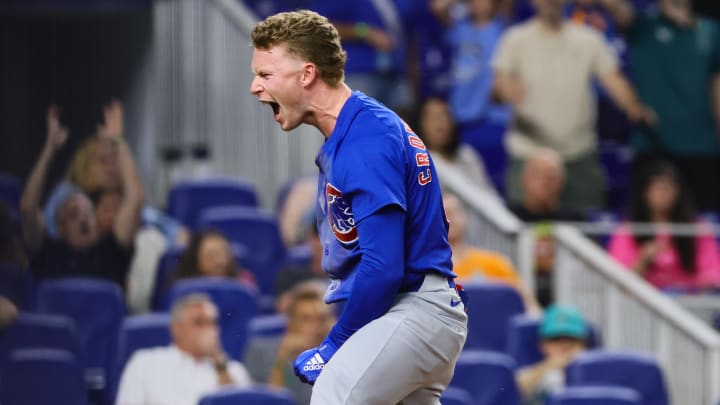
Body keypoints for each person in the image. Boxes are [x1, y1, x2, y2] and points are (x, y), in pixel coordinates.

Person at [250, 10, 468, 403]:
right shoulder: (362, 124)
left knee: (334, 391)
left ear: (306, 74)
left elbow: (383, 268)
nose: (255, 87)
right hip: (417, 311)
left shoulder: (364, 140)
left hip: (414, 309)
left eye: (265, 75)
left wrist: (333, 344)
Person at [492, 0, 655, 212]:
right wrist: (505, 89)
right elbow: (498, 85)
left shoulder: (588, 39)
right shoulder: (516, 39)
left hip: (579, 153)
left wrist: (634, 106)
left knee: (588, 229)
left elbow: (613, 79)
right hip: (530, 153)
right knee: (526, 234)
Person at [604, 0, 720, 211]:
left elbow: (717, 88)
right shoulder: (642, 26)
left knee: (704, 226)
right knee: (647, 225)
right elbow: (615, 7)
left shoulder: (712, 31)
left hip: (702, 148)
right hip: (653, 144)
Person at [20, 105, 143, 288]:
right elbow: (28, 209)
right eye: (74, 213)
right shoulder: (48, 254)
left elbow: (135, 199)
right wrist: (49, 149)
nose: (84, 217)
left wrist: (117, 140)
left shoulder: (110, 252)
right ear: (60, 227)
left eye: (89, 212)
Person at [116, 294, 252, 405]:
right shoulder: (144, 363)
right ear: (176, 328)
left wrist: (219, 363)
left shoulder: (234, 370)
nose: (209, 330)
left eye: (212, 323)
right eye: (199, 322)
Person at [433, 0, 512, 190]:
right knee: (468, 183)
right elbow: (438, 8)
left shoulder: (502, 30)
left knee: (494, 182)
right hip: (461, 117)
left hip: (493, 117)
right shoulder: (461, 29)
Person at [607, 161, 720, 291]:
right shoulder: (628, 229)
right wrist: (643, 259)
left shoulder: (696, 228)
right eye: (657, 188)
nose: (662, 194)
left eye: (668, 187)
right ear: (645, 192)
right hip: (642, 303)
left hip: (690, 304)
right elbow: (617, 283)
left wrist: (691, 289)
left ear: (678, 192)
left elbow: (713, 274)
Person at [444, 193, 541, 314]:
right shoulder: (424, 267)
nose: (449, 218)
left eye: (453, 212)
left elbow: (530, 306)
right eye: (442, 213)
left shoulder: (494, 262)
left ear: (465, 217)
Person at [245, 284, 336, 404]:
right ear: (290, 323)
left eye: (322, 319)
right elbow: (268, 402)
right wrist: (282, 357)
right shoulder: (259, 351)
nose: (316, 327)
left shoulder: (335, 356)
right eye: (306, 319)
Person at [418, 97, 501, 201]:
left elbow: (489, 194)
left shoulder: (467, 155)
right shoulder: (417, 163)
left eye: (445, 116)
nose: (441, 123)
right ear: (421, 123)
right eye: (434, 117)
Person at [516, 304, 589, 405]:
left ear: (583, 344)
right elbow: (509, 390)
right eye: (556, 339)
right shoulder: (535, 373)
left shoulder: (594, 372)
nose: (564, 345)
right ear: (542, 345)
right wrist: (550, 365)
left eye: (571, 339)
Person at [508, 148, 584, 223]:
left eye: (550, 177)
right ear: (524, 178)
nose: (544, 182)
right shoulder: (506, 216)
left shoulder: (577, 221)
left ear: (562, 181)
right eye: (537, 175)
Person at [172, 229, 256, 287]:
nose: (220, 261)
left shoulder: (244, 283)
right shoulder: (182, 286)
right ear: (195, 258)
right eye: (211, 255)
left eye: (224, 253)